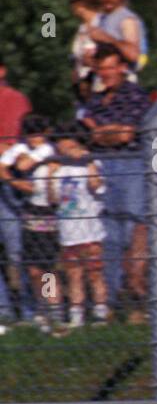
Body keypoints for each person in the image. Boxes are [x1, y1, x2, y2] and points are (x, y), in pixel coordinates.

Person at [81, 44, 151, 319]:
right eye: (102, 69)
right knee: (108, 235)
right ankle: (109, 304)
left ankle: (141, 304)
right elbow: (88, 132)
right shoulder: (97, 100)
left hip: (131, 164)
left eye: (111, 67)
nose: (106, 73)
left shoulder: (135, 96)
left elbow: (126, 136)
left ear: (122, 67)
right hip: (104, 165)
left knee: (136, 230)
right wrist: (105, 133)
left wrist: (101, 132)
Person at [0, 115, 57, 329]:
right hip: (28, 214)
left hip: (47, 216)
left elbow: (22, 166)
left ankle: (53, 309)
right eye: (29, 134)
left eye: (37, 133)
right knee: (30, 266)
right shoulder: (23, 148)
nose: (33, 138)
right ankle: (35, 310)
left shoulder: (47, 150)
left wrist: (18, 155)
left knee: (47, 266)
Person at [51, 125, 108, 328]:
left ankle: (101, 313)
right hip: (68, 230)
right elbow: (53, 199)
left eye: (66, 141)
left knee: (94, 272)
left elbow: (96, 186)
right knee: (73, 274)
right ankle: (76, 316)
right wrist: (50, 175)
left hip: (89, 229)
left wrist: (88, 161)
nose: (62, 146)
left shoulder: (90, 163)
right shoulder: (58, 167)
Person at [0, 57, 34, 320]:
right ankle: (4, 311)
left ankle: (31, 309)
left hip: (9, 182)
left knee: (18, 249)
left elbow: (12, 145)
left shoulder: (13, 99)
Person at [89, 0, 148, 77]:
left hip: (123, 87)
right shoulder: (103, 18)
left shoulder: (127, 19)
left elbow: (133, 55)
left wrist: (106, 38)